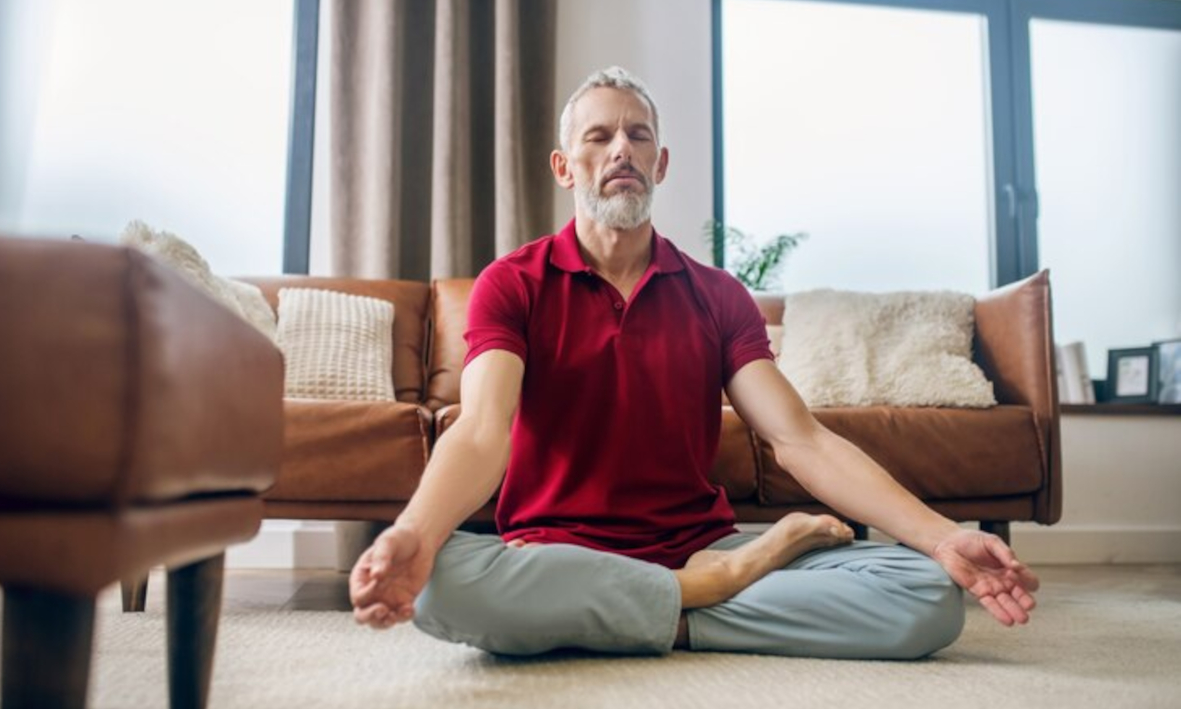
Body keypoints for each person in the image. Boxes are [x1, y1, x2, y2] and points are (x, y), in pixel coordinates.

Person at [349, 66, 1039, 659]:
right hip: (559, 551)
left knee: (926, 597)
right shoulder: (514, 282)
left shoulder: (716, 295)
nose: (622, 148)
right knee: (443, 583)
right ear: (564, 167)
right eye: (599, 136)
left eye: (638, 135)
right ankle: (708, 598)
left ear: (661, 163)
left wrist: (945, 537)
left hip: (698, 543)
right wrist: (415, 531)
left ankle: (653, 606)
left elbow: (800, 439)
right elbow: (479, 429)